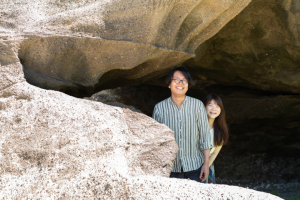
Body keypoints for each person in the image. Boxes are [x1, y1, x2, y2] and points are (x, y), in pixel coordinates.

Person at [152, 66, 212, 182]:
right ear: (169, 84)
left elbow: (205, 137)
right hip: (170, 168)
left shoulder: (198, 106)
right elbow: (156, 142)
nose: (180, 83)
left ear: (188, 85)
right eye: (176, 80)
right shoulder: (159, 108)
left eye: (184, 80)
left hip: (195, 166)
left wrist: (206, 164)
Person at [203, 94, 229, 183]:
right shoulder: (195, 126)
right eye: (210, 105)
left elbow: (214, 153)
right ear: (204, 107)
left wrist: (205, 166)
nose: (214, 109)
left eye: (217, 106)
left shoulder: (221, 131)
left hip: (207, 164)